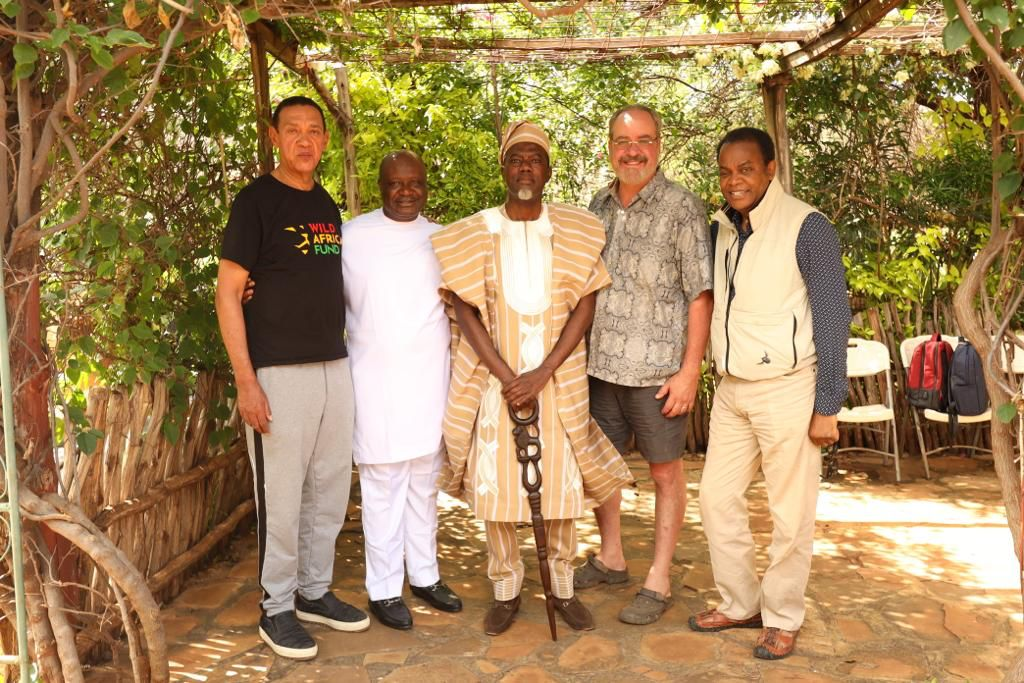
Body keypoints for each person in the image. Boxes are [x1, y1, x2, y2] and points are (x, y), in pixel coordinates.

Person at [431, 121, 633, 636]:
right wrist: (507, 377)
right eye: (517, 158)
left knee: (563, 488)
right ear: (504, 166)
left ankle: (562, 588)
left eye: (535, 159)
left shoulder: (576, 229)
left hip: (557, 379)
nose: (526, 167)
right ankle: (506, 587)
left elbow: (585, 306)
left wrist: (542, 372)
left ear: (548, 170)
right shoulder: (474, 231)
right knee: (498, 488)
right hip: (495, 382)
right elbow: (464, 309)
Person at [215, 95, 369, 661]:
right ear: (275, 137)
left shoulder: (326, 204)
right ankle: (276, 607)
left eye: (314, 131)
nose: (305, 141)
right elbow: (228, 292)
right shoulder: (255, 202)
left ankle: (313, 591)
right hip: (278, 372)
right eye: (293, 131)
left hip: (333, 364)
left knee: (328, 490)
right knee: (281, 496)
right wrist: (246, 380)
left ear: (325, 141)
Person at [688, 127, 850, 660]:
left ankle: (782, 615)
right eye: (726, 171)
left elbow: (831, 315)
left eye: (746, 169)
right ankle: (740, 603)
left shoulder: (808, 226)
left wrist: (828, 403)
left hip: (789, 388)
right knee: (715, 499)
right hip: (733, 390)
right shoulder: (725, 229)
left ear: (771, 168)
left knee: (790, 511)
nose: (734, 181)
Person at [576, 105, 713, 626]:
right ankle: (611, 557)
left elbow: (699, 294)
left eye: (644, 140)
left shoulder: (682, 207)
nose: (632, 150)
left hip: (659, 372)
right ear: (609, 145)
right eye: (622, 140)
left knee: (664, 474)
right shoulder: (598, 204)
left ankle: (657, 576)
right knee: (604, 472)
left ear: (660, 145)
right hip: (602, 366)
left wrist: (689, 369)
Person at [342, 151, 462, 630]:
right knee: (381, 488)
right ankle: (384, 588)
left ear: (426, 186)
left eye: (415, 183)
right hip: (374, 385)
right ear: (381, 187)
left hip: (429, 382)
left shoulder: (441, 240)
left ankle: (426, 576)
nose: (407, 191)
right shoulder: (352, 237)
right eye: (397, 184)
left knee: (423, 485)